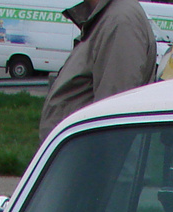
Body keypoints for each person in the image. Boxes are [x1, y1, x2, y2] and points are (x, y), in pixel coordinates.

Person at [37, 0, 155, 140]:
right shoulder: (108, 17)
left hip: (89, 156)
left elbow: (112, 122)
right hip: (79, 153)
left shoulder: (120, 22)